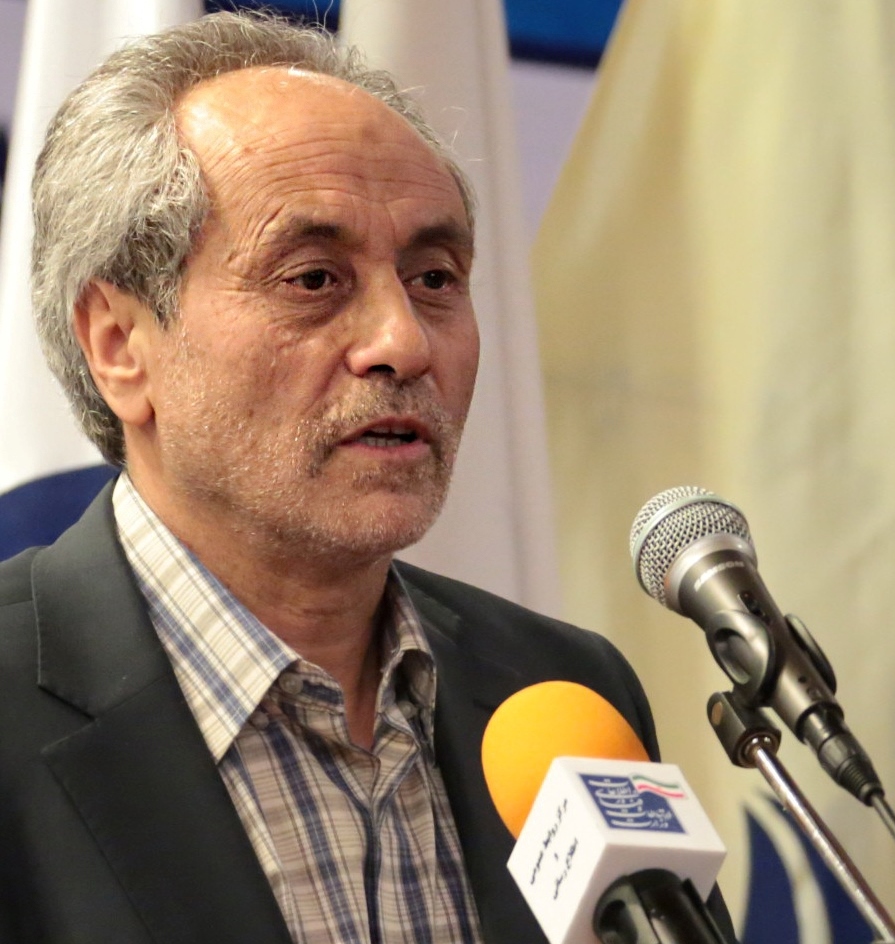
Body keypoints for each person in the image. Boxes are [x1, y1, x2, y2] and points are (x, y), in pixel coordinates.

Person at [0, 11, 737, 944]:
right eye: (313, 279)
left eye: (434, 278)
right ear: (119, 345)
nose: (404, 341)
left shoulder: (560, 691)